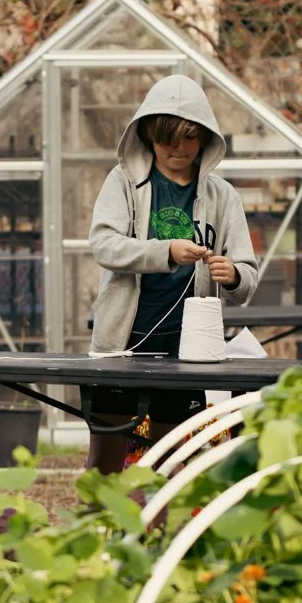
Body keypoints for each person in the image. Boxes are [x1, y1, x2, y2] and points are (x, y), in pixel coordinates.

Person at [85, 74, 258, 474]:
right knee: (104, 463)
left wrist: (231, 273)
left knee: (173, 459)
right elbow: (103, 245)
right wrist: (165, 251)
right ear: (147, 136)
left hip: (187, 353)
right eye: (166, 140)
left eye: (188, 138)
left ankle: (164, 534)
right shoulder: (124, 182)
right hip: (119, 346)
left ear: (204, 139)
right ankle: (102, 531)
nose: (177, 149)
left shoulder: (223, 196)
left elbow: (246, 277)